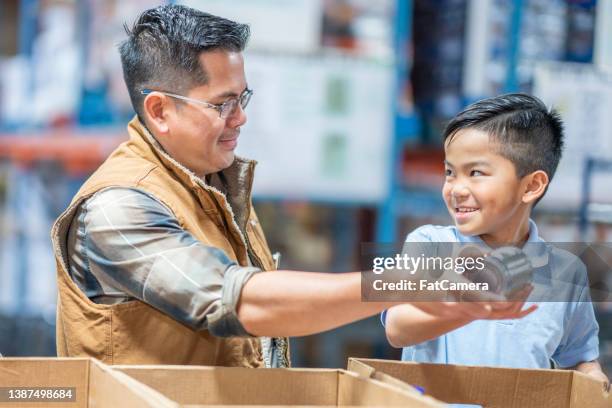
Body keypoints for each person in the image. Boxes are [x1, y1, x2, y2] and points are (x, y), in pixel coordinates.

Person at [51, 5, 532, 368]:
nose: (240, 118)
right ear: (159, 110)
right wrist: (407, 280)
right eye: (222, 104)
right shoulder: (118, 208)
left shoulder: (210, 183)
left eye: (243, 98)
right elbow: (242, 301)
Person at [382, 94, 609, 387]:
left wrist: (593, 378)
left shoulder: (566, 273)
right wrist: (468, 308)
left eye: (475, 173)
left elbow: (580, 357)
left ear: (531, 186)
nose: (456, 189)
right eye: (450, 172)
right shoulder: (430, 244)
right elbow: (398, 328)